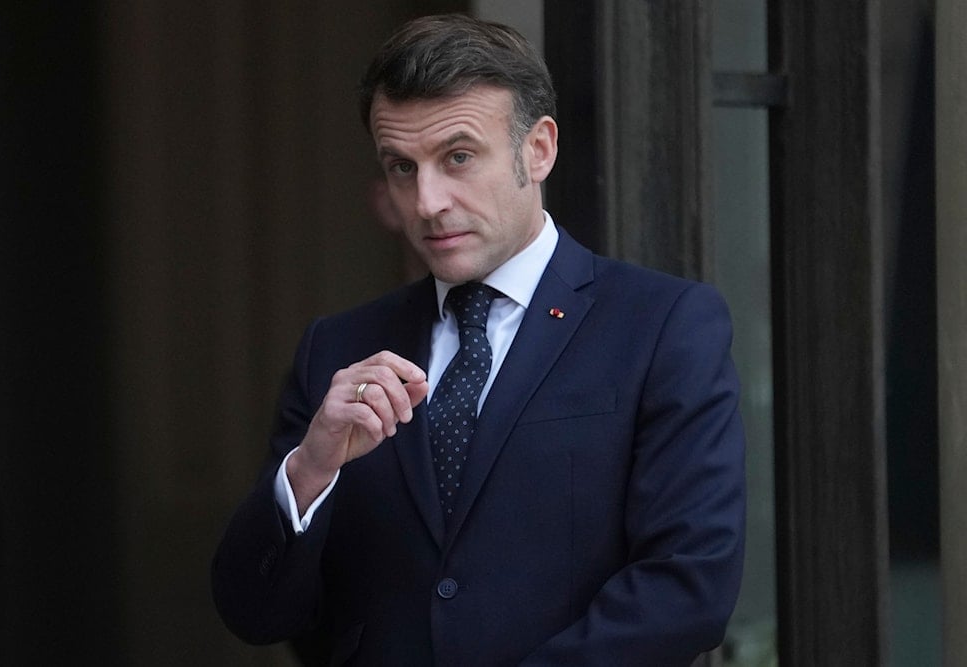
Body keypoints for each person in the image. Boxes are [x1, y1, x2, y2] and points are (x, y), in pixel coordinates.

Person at [212, 13, 745, 666]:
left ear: (539, 149)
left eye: (457, 157)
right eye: (401, 167)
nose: (427, 200)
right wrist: (309, 470)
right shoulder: (338, 348)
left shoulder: (663, 324)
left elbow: (688, 586)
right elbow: (254, 611)